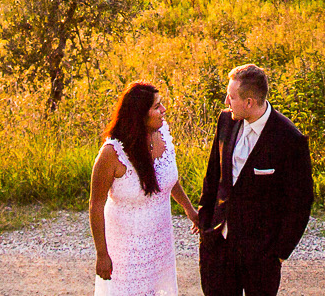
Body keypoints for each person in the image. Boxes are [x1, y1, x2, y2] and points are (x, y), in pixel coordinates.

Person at [192, 64, 313, 296]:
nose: (227, 102)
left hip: (261, 256)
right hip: (218, 246)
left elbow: (300, 201)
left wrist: (279, 252)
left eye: (232, 97)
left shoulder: (289, 139)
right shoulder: (226, 120)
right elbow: (213, 175)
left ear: (249, 102)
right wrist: (206, 223)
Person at [92, 80, 200, 296]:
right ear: (140, 114)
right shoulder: (111, 154)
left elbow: (167, 179)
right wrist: (102, 254)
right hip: (126, 250)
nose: (164, 110)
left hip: (160, 242)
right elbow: (96, 205)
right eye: (157, 106)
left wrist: (190, 210)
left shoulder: (163, 135)